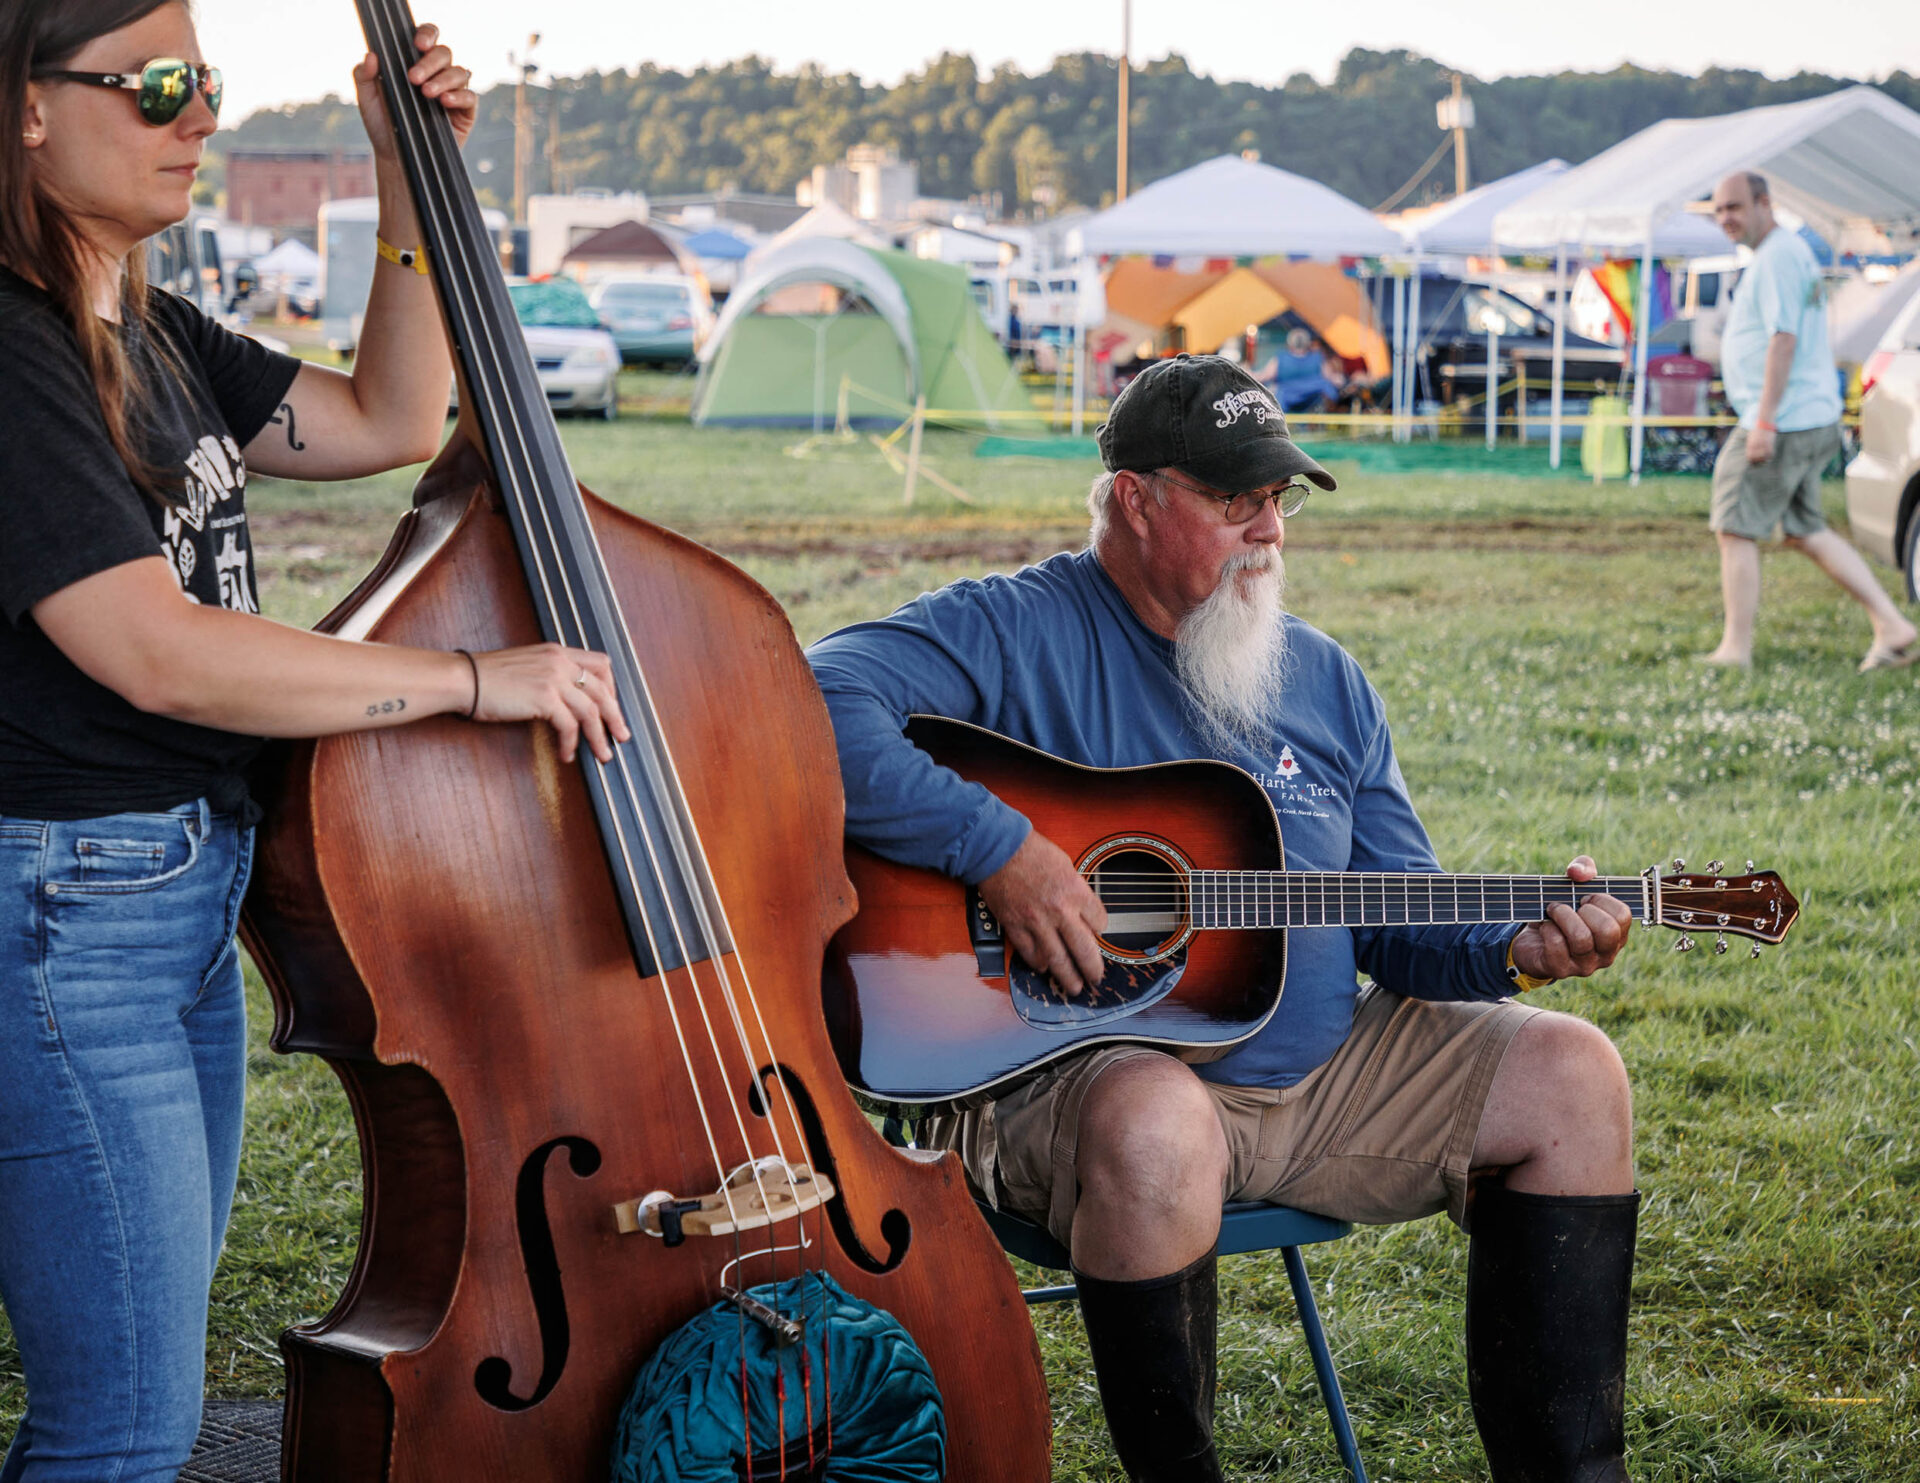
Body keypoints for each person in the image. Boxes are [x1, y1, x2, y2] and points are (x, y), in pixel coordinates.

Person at [808, 354, 1640, 1482]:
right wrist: (1001, 849)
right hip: (1076, 1083)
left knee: (1576, 1076)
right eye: (1235, 500)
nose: (1270, 530)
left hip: (1318, 1080)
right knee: (1161, 1122)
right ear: (1136, 501)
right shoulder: (1016, 629)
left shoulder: (1324, 681)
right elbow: (814, 698)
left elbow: (1397, 922)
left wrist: (1516, 948)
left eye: (1279, 499)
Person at [0, 6, 629, 1480]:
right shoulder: (14, 343)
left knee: (135, 1387)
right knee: (125, 1423)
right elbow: (152, 646)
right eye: (157, 87)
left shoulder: (139, 325)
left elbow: (388, 415)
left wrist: (408, 180)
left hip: (166, 905)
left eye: (205, 85)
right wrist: (472, 680)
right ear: (26, 107)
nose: (197, 116)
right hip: (63, 914)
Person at [1703, 170, 1918, 670]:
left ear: (1763, 204)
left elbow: (1783, 339)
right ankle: (1891, 625)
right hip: (1806, 413)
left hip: (1784, 417)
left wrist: (1764, 422)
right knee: (1804, 530)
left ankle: (1735, 649)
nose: (1725, 219)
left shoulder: (1778, 255)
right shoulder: (1781, 255)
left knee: (1734, 526)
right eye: (1718, 211)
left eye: (1734, 207)